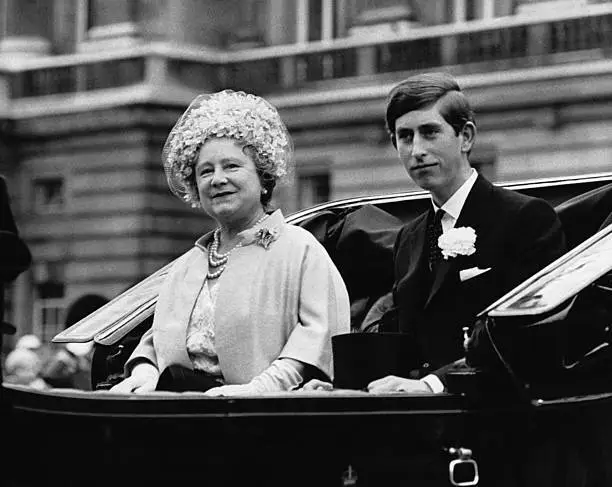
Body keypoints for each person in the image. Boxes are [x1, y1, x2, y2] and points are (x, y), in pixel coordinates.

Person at [306, 72, 566, 394]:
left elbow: (524, 334)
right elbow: (403, 340)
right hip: (424, 418)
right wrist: (343, 385)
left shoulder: (525, 218)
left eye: (429, 133)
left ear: (466, 137)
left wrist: (432, 385)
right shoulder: (409, 238)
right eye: (405, 137)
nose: (417, 150)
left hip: (495, 414)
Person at [110, 90, 350, 395]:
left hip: (265, 419)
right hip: (179, 412)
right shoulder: (187, 265)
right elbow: (156, 338)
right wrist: (145, 370)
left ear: (263, 176)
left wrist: (258, 390)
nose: (217, 179)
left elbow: (319, 336)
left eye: (232, 166)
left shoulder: (300, 249)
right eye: (205, 171)